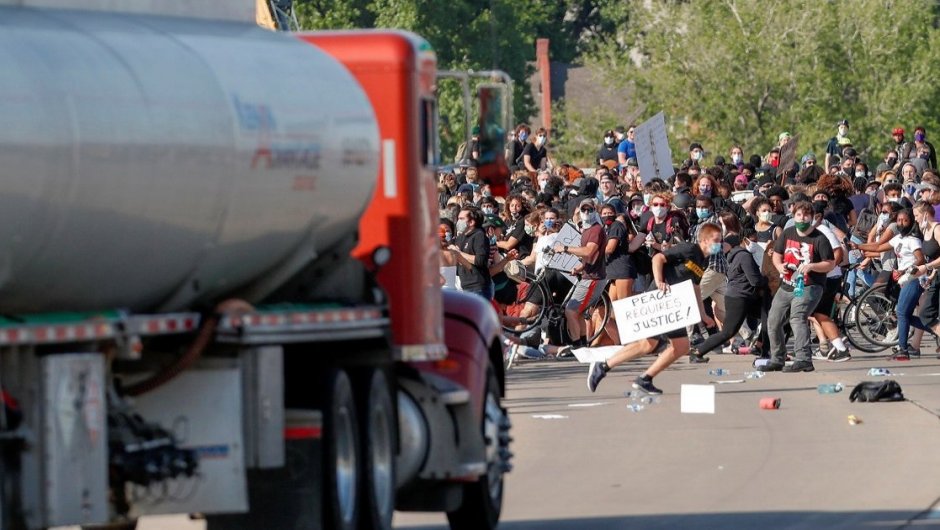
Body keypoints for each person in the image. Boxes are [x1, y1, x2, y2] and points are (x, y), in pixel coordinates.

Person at [586, 223, 722, 395]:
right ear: (704, 239)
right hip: (659, 299)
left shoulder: (703, 259)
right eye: (716, 240)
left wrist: (702, 313)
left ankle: (643, 378)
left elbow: (695, 286)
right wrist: (659, 281)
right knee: (652, 343)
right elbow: (659, 259)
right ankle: (605, 366)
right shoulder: (689, 248)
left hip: (674, 304)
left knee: (677, 346)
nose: (719, 243)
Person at [759, 201, 836, 373]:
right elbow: (777, 254)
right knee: (773, 320)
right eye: (799, 215)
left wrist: (812, 266)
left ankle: (803, 359)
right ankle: (777, 358)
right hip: (787, 284)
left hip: (810, 285)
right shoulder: (788, 233)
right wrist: (779, 267)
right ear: (794, 216)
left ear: (812, 217)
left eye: (806, 215)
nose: (802, 218)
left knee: (797, 317)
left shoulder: (819, 239)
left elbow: (830, 263)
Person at [852, 208, 925, 359]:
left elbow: (920, 259)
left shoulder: (913, 240)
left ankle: (903, 349)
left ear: (911, 221)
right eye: (899, 220)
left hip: (914, 279)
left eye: (905, 220)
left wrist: (905, 270)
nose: (901, 223)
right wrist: (858, 246)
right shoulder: (898, 239)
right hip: (903, 280)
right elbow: (878, 247)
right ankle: (934, 329)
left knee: (901, 313)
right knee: (905, 315)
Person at [691, 227, 766, 361]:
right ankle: (698, 352)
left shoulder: (733, 257)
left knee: (769, 316)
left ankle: (762, 347)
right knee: (728, 332)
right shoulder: (744, 256)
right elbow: (755, 280)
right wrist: (766, 280)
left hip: (740, 297)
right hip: (741, 298)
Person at [552, 199, 607, 348]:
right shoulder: (587, 231)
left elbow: (589, 250)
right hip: (589, 275)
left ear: (595, 211)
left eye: (590, 210)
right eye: (584, 210)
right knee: (579, 312)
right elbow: (588, 257)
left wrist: (565, 248)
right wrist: (579, 268)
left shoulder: (596, 230)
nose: (587, 213)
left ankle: (576, 344)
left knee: (570, 311)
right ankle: (582, 343)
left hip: (593, 278)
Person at [448, 206, 492, 300]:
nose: (458, 222)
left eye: (462, 219)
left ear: (471, 222)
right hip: (465, 285)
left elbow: (480, 260)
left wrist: (458, 253)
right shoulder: (461, 237)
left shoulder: (479, 236)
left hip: (478, 287)